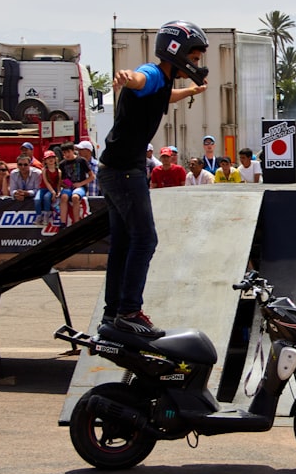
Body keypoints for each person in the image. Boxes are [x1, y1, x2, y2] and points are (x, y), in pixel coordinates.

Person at [100, 20, 209, 337]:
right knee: (146, 239)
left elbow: (165, 96)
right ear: (177, 52)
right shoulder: (150, 75)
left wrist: (191, 90)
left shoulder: (163, 83)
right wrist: (126, 77)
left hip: (111, 171)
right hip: (125, 172)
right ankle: (130, 311)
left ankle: (112, 314)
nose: (197, 64)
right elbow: (139, 80)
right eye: (197, 57)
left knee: (122, 243)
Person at [57, 142, 95, 226]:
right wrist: (64, 185)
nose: (67, 154)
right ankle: (62, 222)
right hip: (68, 187)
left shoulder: (81, 161)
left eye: (68, 152)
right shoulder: (62, 164)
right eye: (64, 153)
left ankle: (77, 222)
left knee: (75, 197)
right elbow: (60, 180)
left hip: (80, 187)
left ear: (73, 151)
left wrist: (81, 183)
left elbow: (92, 176)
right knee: (64, 197)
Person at [34, 150, 60, 225]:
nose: (51, 160)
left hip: (53, 189)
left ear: (55, 159)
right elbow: (46, 182)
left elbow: (58, 183)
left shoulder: (58, 171)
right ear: (45, 161)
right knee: (37, 199)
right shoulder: (44, 170)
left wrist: (58, 192)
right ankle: (38, 216)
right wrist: (53, 192)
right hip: (44, 189)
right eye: (48, 158)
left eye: (52, 157)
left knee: (46, 197)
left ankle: (46, 216)